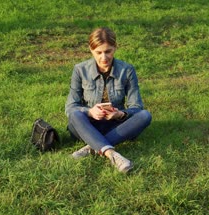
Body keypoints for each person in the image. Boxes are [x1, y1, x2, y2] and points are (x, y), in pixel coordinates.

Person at [65, 27, 152, 173]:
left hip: (115, 125)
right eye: (98, 52)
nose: (103, 57)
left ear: (115, 48)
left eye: (108, 51)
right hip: (88, 125)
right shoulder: (80, 70)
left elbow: (136, 106)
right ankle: (111, 154)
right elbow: (71, 107)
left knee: (145, 115)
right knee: (75, 115)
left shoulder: (127, 70)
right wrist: (90, 112)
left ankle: (92, 146)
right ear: (91, 50)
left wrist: (120, 114)